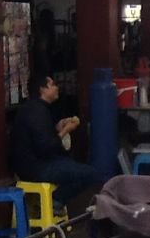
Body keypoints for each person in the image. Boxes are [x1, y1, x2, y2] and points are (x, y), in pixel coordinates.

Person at [9, 74, 102, 215]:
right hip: (35, 169)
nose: (56, 88)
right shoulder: (37, 111)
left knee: (71, 164)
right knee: (91, 173)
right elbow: (46, 147)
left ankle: (54, 201)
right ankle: (55, 200)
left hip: (33, 165)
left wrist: (57, 127)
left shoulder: (35, 108)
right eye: (52, 85)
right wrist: (65, 131)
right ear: (43, 89)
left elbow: (40, 137)